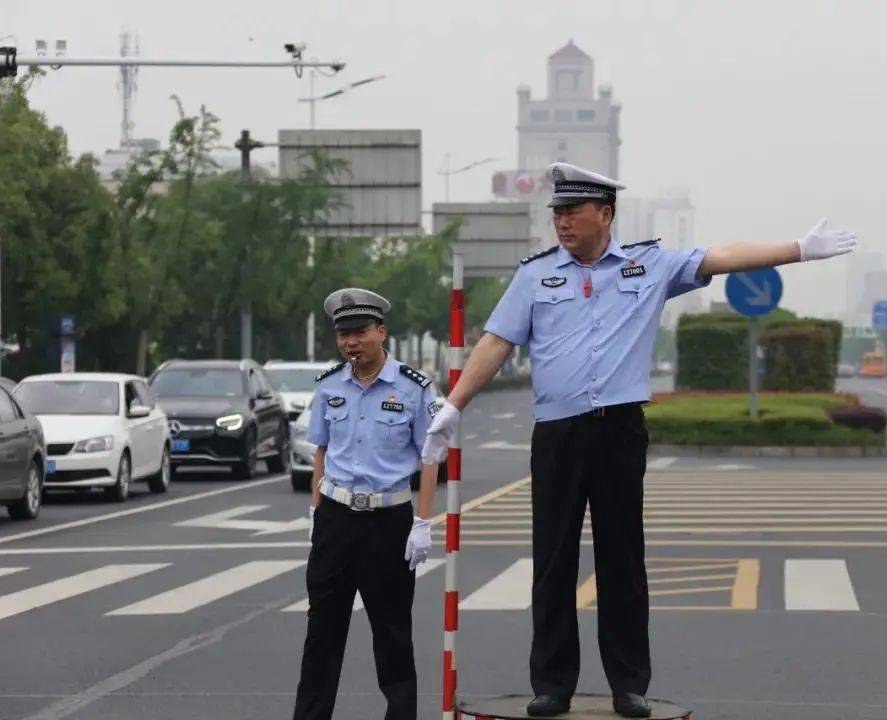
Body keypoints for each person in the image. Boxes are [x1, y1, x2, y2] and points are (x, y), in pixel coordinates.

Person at [422, 162, 856, 719]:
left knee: (622, 558)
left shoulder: (648, 265)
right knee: (552, 560)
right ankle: (552, 683)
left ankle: (630, 683)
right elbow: (495, 343)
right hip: (557, 434)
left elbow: (722, 257)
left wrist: (797, 248)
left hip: (620, 430)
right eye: (556, 213)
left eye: (572, 212)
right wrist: (453, 406)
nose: (561, 223)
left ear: (605, 214)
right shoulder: (534, 276)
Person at [293, 288, 441, 720]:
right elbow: (319, 450)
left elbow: (429, 458)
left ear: (381, 331)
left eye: (359, 332)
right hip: (336, 520)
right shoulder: (329, 385)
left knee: (393, 636)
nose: (351, 342)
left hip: (388, 522)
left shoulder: (414, 388)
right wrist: (316, 511)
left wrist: (423, 521)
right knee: (322, 633)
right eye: (343, 335)